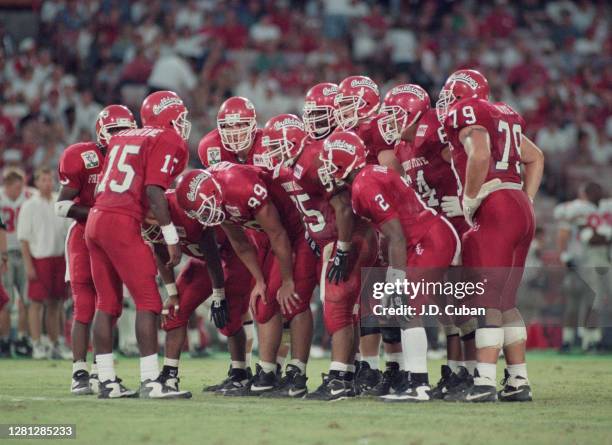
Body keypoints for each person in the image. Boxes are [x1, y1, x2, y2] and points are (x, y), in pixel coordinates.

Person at [319, 130, 460, 402]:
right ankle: (411, 378)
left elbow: (395, 234)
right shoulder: (367, 176)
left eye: (329, 162)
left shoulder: (364, 185)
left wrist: (395, 281)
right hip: (425, 236)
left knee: (405, 304)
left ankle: (418, 385)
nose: (326, 169)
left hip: (428, 238)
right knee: (401, 307)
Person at [436, 68, 544, 402]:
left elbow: (480, 154)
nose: (446, 103)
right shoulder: (502, 113)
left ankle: (483, 381)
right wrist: (524, 199)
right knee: (505, 301)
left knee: (485, 299)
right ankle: (517, 381)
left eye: (450, 96)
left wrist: (470, 197)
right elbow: (536, 158)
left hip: (495, 206)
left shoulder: (468, 114)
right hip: (518, 205)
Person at [176, 163, 316, 397]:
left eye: (207, 206)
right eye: (201, 211)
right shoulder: (216, 199)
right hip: (269, 235)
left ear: (214, 191)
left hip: (298, 228)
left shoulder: (240, 187)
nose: (208, 214)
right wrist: (259, 280)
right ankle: (269, 372)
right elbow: (240, 243)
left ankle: (297, 374)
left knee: (293, 300)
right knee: (262, 306)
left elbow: (279, 233)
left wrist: (288, 280)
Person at [85, 90, 189, 399]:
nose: (182, 125)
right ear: (169, 116)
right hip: (119, 222)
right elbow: (154, 190)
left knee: (106, 304)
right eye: (179, 118)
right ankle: (150, 381)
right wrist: (171, 236)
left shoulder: (124, 136)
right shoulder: (167, 139)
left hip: (96, 217)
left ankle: (106, 380)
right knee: (149, 302)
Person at [384, 83, 476, 398]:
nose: (391, 121)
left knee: (463, 303)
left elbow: (472, 156)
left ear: (414, 113)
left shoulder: (436, 129)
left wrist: (467, 198)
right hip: (434, 227)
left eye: (397, 114)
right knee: (442, 306)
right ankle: (454, 372)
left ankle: (474, 372)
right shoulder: (401, 148)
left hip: (458, 222)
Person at [56, 104, 136, 394]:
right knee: (85, 308)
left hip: (112, 241)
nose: (120, 137)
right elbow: (62, 205)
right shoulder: (83, 156)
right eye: (115, 131)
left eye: (126, 131)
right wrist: (99, 215)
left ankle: (99, 372)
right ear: (102, 132)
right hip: (82, 238)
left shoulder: (134, 159)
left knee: (110, 307)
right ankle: (79, 371)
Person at [142, 185, 252, 394]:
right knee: (175, 311)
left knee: (229, 315)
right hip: (202, 259)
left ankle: (240, 374)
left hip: (231, 255)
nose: (150, 221)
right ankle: (170, 375)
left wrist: (218, 296)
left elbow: (212, 255)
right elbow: (160, 252)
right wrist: (172, 293)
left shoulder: (186, 207)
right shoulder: (145, 216)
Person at [17, 167, 70, 360]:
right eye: (43, 180)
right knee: (36, 303)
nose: (47, 183)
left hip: (58, 258)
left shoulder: (59, 201)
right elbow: (23, 238)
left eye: (50, 180)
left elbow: (67, 231)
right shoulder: (29, 205)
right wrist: (29, 265)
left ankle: (55, 342)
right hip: (39, 257)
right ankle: (37, 343)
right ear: (36, 183)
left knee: (56, 303)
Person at [0, 168, 33, 357]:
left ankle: (22, 338)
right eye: (16, 186)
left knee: (27, 300)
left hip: (23, 252)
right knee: (6, 302)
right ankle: (4, 340)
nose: (19, 190)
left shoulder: (28, 197)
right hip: (4, 254)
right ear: (7, 185)